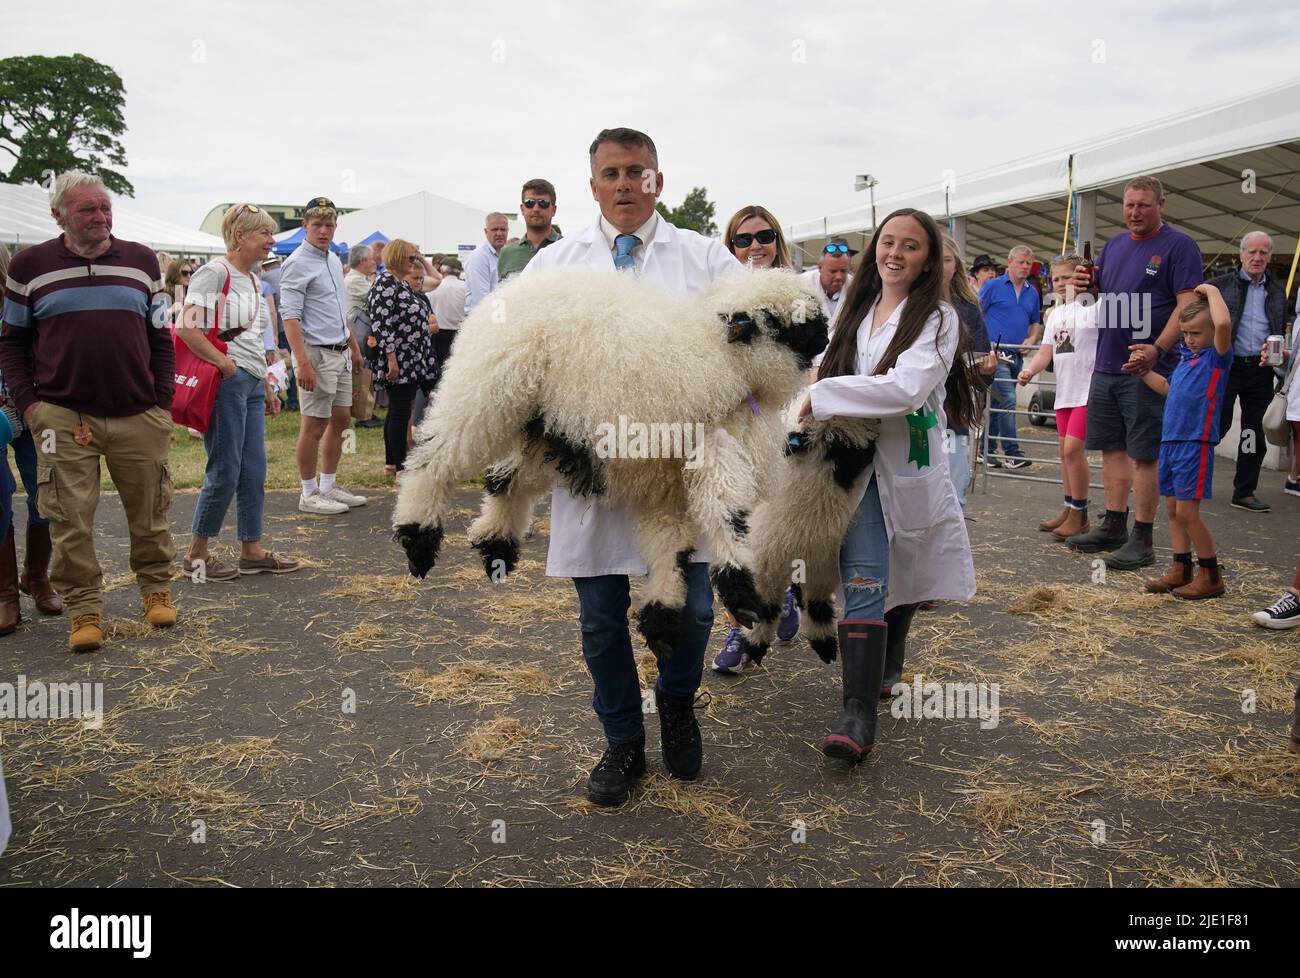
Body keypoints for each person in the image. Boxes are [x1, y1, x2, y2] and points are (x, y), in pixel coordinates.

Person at [524, 127, 740, 807]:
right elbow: (508, 353)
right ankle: (622, 740)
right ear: (591, 186)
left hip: (680, 474)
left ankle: (676, 699)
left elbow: (762, 340)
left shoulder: (707, 260)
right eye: (611, 173)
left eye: (637, 171)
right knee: (599, 619)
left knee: (697, 613)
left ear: (658, 182)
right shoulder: (556, 266)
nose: (624, 184)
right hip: (591, 474)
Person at [798, 208, 978, 761]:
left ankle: (869, 695)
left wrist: (823, 397)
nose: (895, 254)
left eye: (911, 246)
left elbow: (906, 387)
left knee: (888, 573)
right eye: (888, 243)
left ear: (928, 261)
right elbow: (822, 364)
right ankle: (865, 699)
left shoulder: (940, 319)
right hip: (847, 464)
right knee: (872, 574)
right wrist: (808, 391)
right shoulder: (857, 308)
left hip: (900, 462)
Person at [0, 171, 177, 652]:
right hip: (61, 414)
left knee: (150, 510)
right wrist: (31, 407)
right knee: (67, 517)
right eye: (87, 210)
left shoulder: (141, 260)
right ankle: (84, 610)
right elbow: (13, 343)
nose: (100, 217)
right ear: (59, 215)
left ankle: (156, 590)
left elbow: (161, 337)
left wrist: (163, 404)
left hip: (139, 413)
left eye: (105, 207)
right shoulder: (29, 265)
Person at [1066, 176, 1203, 570]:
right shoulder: (1114, 245)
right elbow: (1097, 298)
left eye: (1143, 205)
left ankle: (1143, 538)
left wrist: (1158, 349)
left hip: (1147, 366)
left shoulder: (1179, 246)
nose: (1134, 212)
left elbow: (1188, 307)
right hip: (1107, 362)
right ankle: (1114, 524)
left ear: (1162, 204)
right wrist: (1081, 286)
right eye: (1129, 205)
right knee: (1112, 447)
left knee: (1144, 454)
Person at [176, 204, 300, 582]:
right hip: (227, 381)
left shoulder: (249, 277)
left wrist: (266, 384)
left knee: (253, 469)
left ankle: (252, 550)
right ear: (240, 236)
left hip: (249, 381)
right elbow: (186, 328)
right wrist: (225, 365)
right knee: (225, 469)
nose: (271, 240)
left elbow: (252, 336)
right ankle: (196, 555)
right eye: (263, 233)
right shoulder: (215, 273)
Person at [710, 205, 799, 675]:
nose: (755, 246)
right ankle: (741, 625)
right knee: (731, 528)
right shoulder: (717, 292)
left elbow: (806, 361)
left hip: (780, 423)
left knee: (769, 530)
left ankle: (782, 596)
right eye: (743, 240)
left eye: (764, 236)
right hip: (728, 427)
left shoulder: (794, 294)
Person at [1135, 283, 1232, 600]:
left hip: (1195, 441)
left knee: (1188, 511)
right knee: (1174, 509)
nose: (1189, 340)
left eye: (1195, 333)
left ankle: (1211, 574)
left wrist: (1212, 292)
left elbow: (1222, 324)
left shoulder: (1216, 358)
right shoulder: (1186, 360)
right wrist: (1143, 371)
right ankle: (1181, 567)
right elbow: (1166, 387)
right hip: (1172, 441)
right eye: (1186, 333)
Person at [278, 196, 368, 515]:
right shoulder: (296, 263)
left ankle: (328, 485)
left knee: (341, 419)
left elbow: (338, 309)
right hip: (315, 352)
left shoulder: (332, 259)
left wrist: (353, 347)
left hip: (340, 350)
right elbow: (290, 317)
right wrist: (301, 361)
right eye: (317, 224)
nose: (323, 230)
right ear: (304, 226)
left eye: (329, 224)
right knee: (314, 423)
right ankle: (308, 492)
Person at [1017, 254, 1099, 539]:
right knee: (1064, 452)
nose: (1061, 283)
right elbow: (1045, 352)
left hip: (1088, 389)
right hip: (1065, 390)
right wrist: (1030, 371)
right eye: (1056, 279)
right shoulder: (1055, 314)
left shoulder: (1095, 306)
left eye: (1067, 277)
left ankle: (1081, 511)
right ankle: (1069, 507)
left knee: (1072, 450)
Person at [1207, 231, 1289, 512]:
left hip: (1260, 370)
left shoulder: (1277, 292)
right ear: (1241, 255)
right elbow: (1195, 319)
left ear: (1269, 257)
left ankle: (1244, 492)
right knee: (1217, 426)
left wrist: (1278, 355)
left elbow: (1277, 329)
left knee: (1253, 432)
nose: (1257, 258)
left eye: (1263, 253)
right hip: (1227, 365)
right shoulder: (1219, 286)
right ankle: (1193, 481)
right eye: (1251, 252)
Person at [367, 239, 438, 478]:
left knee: (400, 410)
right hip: (400, 358)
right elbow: (381, 324)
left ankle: (392, 463)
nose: (415, 262)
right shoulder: (385, 284)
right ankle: (399, 465)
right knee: (399, 411)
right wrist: (391, 359)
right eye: (410, 258)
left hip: (412, 357)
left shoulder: (400, 284)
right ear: (397, 258)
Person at [940, 234, 997, 507]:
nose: (941, 266)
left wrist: (986, 371)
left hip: (953, 412)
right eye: (934, 259)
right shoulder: (904, 303)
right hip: (911, 415)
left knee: (952, 491)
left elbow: (981, 364)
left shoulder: (968, 307)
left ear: (957, 266)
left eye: (947, 260)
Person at [978, 245, 1041, 470]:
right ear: (1010, 263)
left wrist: (1032, 339)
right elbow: (976, 314)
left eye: (1028, 263)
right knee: (1008, 400)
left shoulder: (1032, 291)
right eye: (1021, 262)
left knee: (998, 403)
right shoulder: (992, 287)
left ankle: (985, 450)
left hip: (1016, 354)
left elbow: (1035, 322)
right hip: (996, 353)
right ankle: (1012, 453)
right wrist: (982, 346)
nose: (1025, 266)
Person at [343, 244, 381, 429]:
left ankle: (366, 410)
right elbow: (377, 296)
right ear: (363, 261)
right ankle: (362, 414)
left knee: (366, 372)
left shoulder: (358, 278)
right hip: (359, 332)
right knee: (363, 373)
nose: (374, 261)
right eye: (371, 258)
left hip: (359, 331)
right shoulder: (354, 280)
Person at [498, 179, 560, 281]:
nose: (536, 208)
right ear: (522, 209)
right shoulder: (507, 254)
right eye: (529, 203)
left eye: (543, 203)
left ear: (553, 210)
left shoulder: (567, 249)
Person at [428, 257, 466, 386]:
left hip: (438, 333)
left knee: (438, 370)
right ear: (459, 271)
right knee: (456, 370)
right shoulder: (465, 287)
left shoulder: (433, 288)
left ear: (442, 270)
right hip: (459, 333)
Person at [464, 212, 510, 314]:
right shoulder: (479, 257)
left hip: (497, 316)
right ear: (486, 231)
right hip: (484, 318)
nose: (499, 233)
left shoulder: (505, 255)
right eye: (494, 229)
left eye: (503, 229)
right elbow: (482, 300)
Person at [801, 237, 853, 325]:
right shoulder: (803, 284)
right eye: (833, 271)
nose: (839, 277)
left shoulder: (854, 287)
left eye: (843, 271)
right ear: (820, 268)